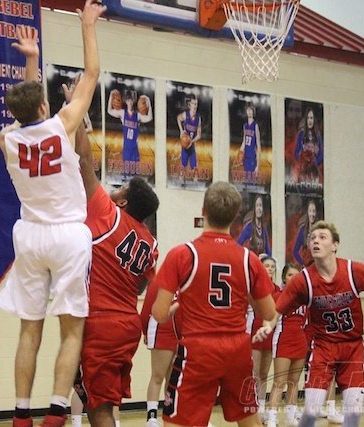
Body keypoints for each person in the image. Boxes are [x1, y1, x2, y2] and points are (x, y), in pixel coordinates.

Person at [0, 3, 106, 427]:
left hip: (30, 235)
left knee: (29, 328)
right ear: (45, 104)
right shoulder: (63, 124)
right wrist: (87, 25)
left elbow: (27, 113)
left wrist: (31, 61)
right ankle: (58, 409)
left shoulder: (6, 139)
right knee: (72, 328)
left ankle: (21, 412)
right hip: (67, 236)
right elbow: (91, 73)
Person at [258, 220, 364, 427]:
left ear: (335, 245)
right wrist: (268, 326)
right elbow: (278, 309)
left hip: (352, 347)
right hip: (323, 347)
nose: (315, 241)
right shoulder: (303, 279)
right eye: (312, 238)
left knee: (352, 416)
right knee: (310, 413)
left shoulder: (353, 271)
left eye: (322, 237)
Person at [151, 181, 277, 427]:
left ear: (204, 211)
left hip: (198, 349)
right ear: (235, 216)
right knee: (250, 421)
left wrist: (175, 308)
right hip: (237, 349)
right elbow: (270, 312)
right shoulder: (249, 259)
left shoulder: (182, 254)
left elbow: (159, 313)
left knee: (178, 422)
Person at [72, 119, 159, 427]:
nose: (112, 189)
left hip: (102, 322)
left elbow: (84, 162)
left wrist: (76, 113)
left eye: (119, 188)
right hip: (127, 324)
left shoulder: (108, 213)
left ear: (123, 201)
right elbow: (139, 287)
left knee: (98, 410)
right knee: (102, 402)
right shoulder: (151, 243)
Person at [266, 263, 306, 427]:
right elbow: (271, 319)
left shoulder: (304, 298)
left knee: (294, 382)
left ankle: (291, 417)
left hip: (300, 341)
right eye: (290, 275)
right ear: (284, 278)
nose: (294, 278)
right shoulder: (278, 296)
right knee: (279, 381)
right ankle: (272, 417)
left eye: (297, 275)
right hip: (283, 340)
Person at [140, 282, 178, 427]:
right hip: (160, 329)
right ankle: (151, 418)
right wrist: (145, 331)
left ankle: (170, 414)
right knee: (158, 375)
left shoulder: (186, 280)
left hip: (180, 330)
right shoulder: (160, 281)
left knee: (173, 378)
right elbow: (146, 310)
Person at [250, 254, 280, 420]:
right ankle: (252, 407)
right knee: (254, 373)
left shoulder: (278, 289)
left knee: (264, 373)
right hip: (256, 330)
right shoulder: (255, 287)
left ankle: (261, 407)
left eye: (272, 266)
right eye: (267, 266)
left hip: (270, 332)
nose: (270, 269)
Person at [107, 87, 153, 169]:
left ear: (134, 102)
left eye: (131, 101)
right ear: (126, 101)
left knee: (134, 171)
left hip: (135, 148)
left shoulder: (138, 115)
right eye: (128, 101)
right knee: (125, 171)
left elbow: (149, 118)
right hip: (126, 148)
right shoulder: (122, 113)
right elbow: (109, 111)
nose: (130, 102)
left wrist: (148, 102)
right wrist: (111, 95)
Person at [176, 94, 201, 183]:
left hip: (191, 145)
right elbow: (178, 118)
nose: (195, 106)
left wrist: (191, 141)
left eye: (196, 104)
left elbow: (199, 135)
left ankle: (195, 187)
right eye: (193, 104)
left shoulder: (198, 118)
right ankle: (180, 185)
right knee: (182, 169)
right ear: (190, 105)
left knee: (195, 171)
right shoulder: (185, 115)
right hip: (185, 146)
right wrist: (181, 131)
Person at [292, 199, 318, 267]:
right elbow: (295, 251)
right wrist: (303, 263)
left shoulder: (320, 230)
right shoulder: (303, 231)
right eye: (310, 211)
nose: (312, 214)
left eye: (314, 211)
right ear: (307, 212)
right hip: (307, 267)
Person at [240, 103, 261, 182]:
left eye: (251, 110)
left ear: (253, 111)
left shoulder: (255, 125)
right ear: (246, 111)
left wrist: (258, 165)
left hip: (252, 158)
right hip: (246, 158)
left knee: (251, 182)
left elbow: (258, 146)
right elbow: (244, 141)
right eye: (248, 110)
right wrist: (239, 153)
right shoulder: (245, 126)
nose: (249, 112)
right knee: (245, 181)